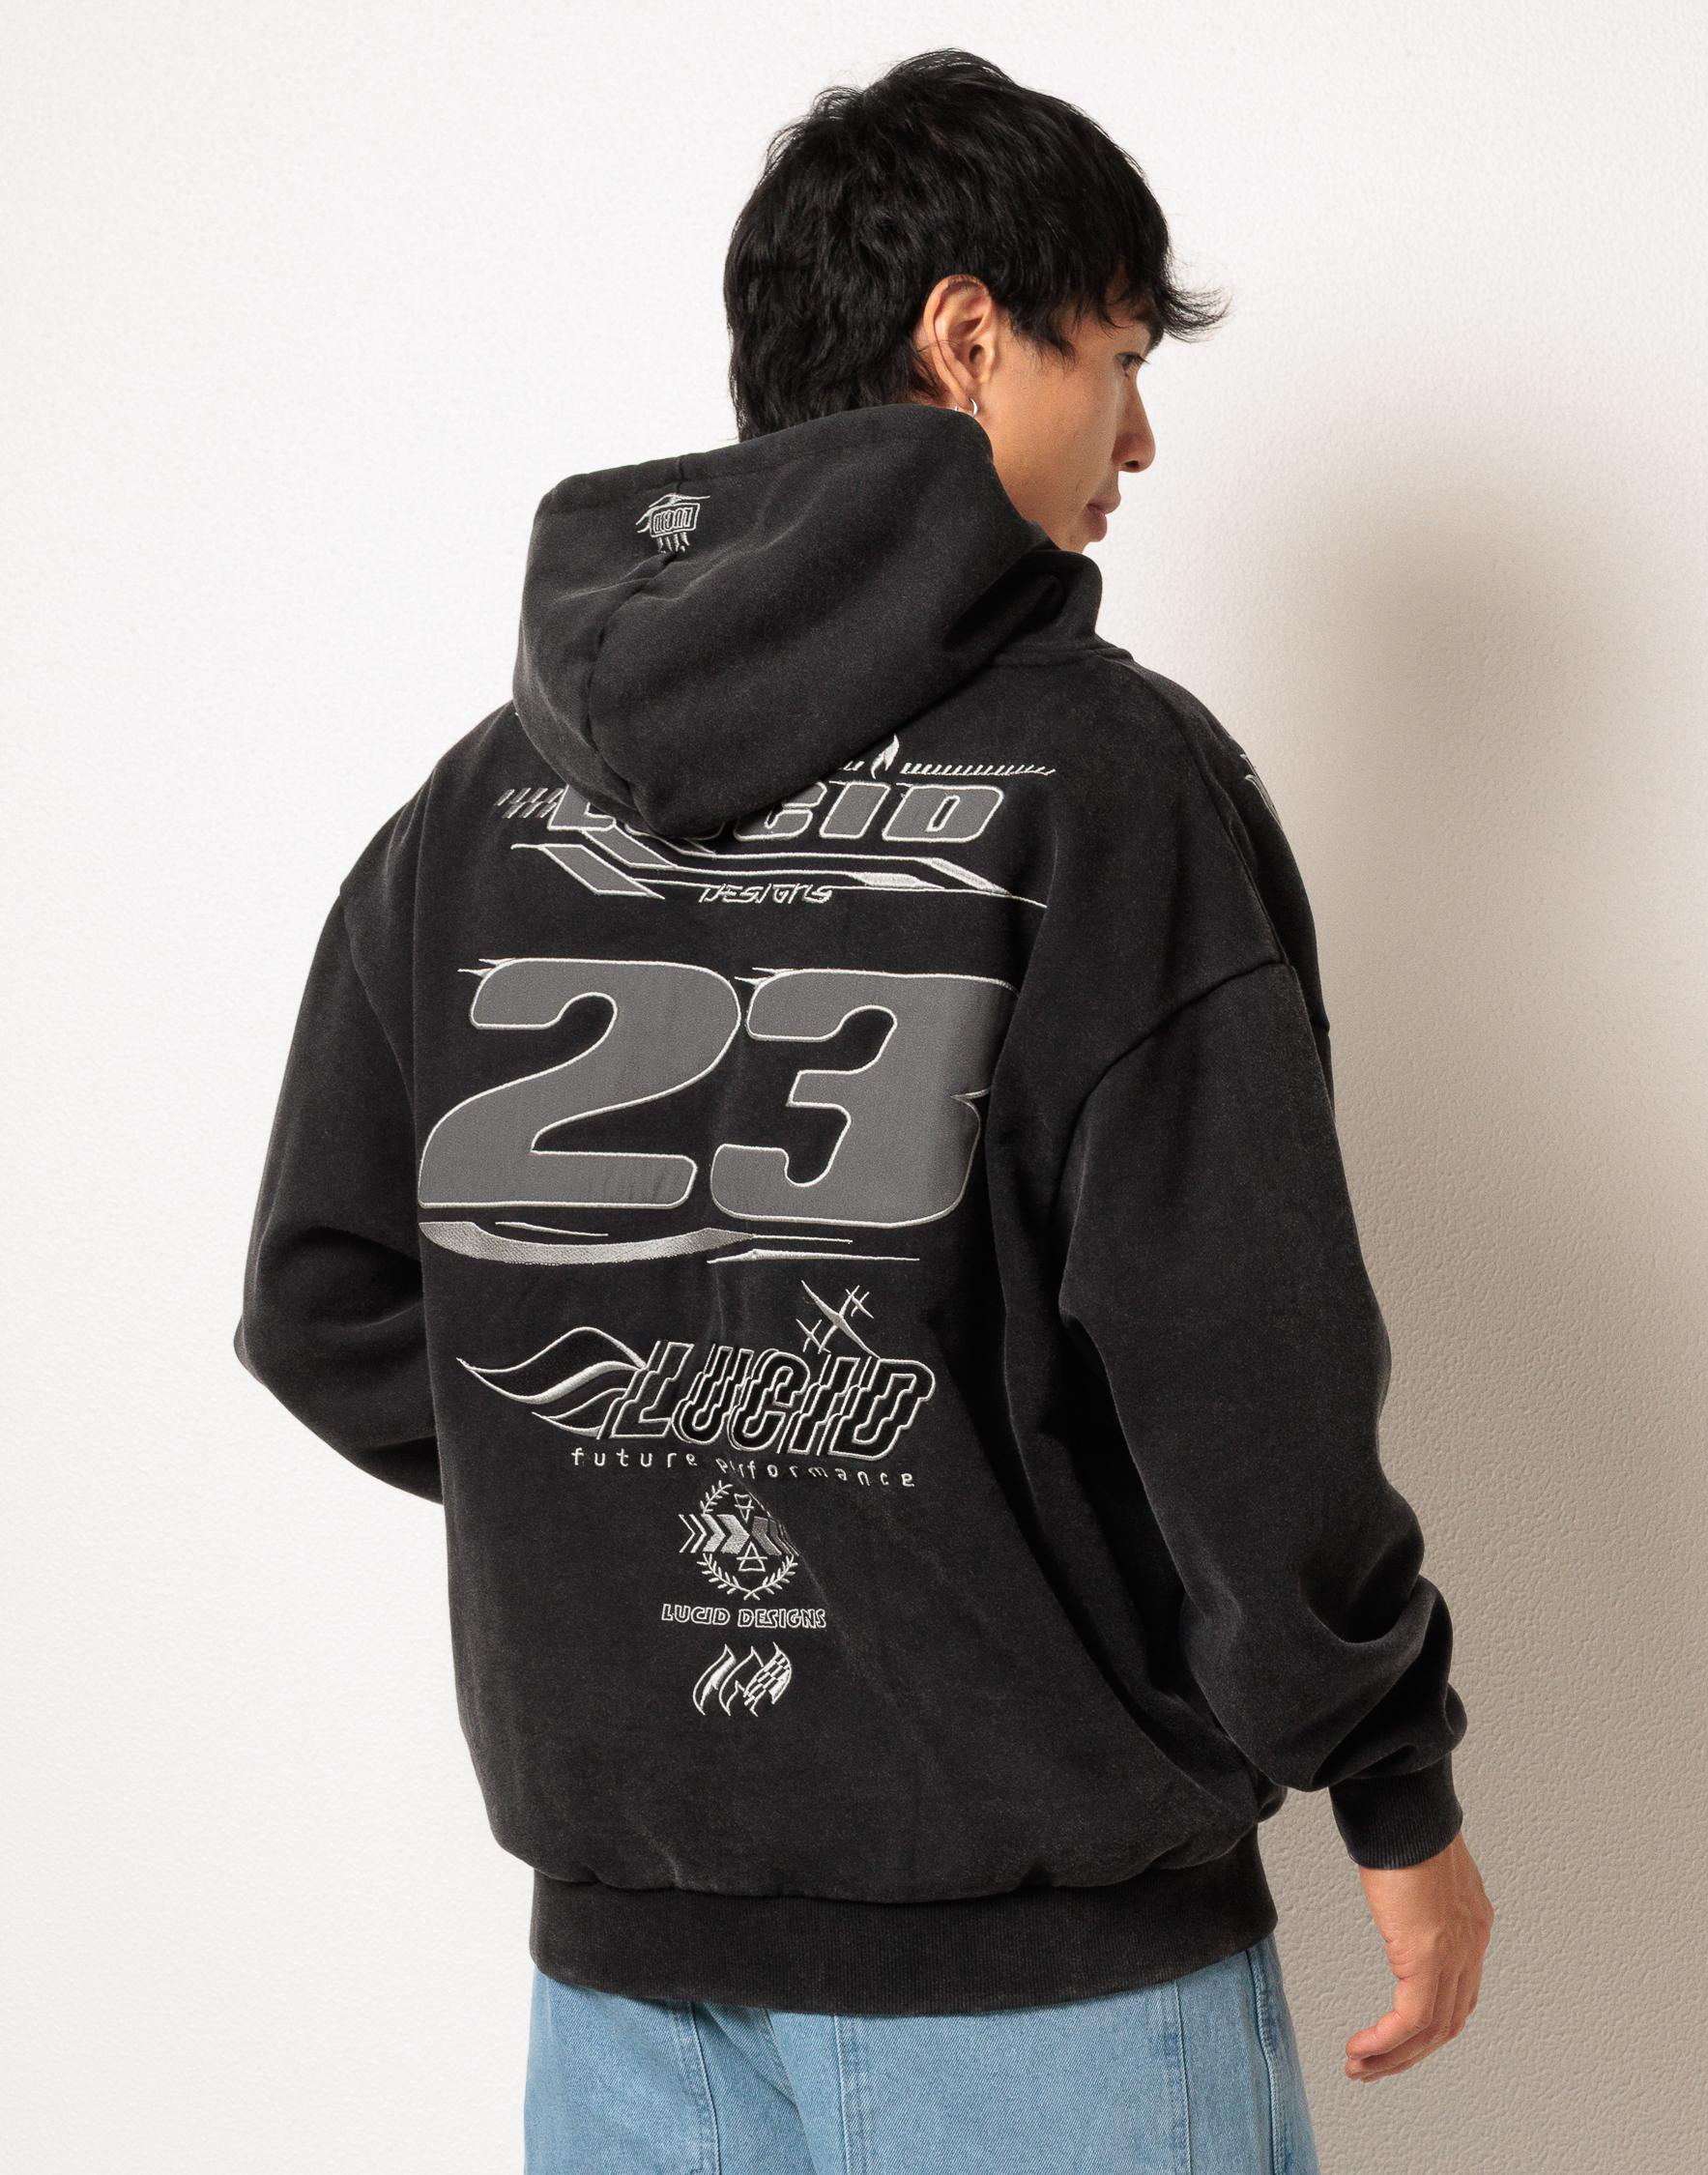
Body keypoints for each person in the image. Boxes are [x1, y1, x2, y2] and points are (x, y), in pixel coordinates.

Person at [233, 46, 1493, 2175]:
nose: (1142, 438)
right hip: (1049, 1977)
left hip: (630, 1995)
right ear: (969, 338)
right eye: (1117, 357)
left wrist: (626, 1461)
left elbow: (324, 1296)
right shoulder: (1110, 786)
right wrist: (1393, 1780)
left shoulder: (481, 804)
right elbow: (1240, 1355)